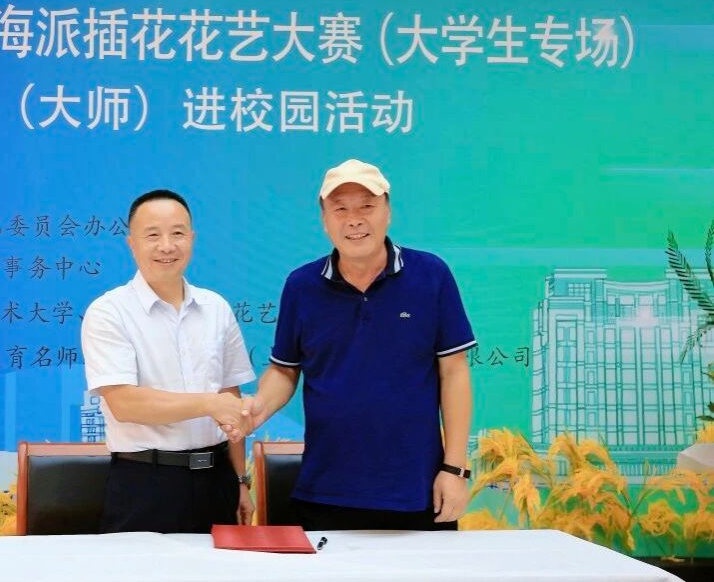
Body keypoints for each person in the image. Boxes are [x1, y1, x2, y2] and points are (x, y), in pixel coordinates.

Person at [233, 159, 476, 531]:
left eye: (366, 206)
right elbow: (285, 370)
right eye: (340, 209)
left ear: (388, 212)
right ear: (324, 220)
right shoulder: (301, 286)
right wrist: (258, 408)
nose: (354, 220)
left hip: (418, 488)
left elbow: (454, 372)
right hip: (326, 489)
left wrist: (454, 469)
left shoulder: (432, 275)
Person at [81, 189, 255, 533]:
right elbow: (125, 404)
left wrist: (240, 481)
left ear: (192, 239)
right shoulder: (109, 312)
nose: (167, 246)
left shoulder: (216, 308)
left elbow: (230, 398)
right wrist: (210, 403)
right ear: (132, 244)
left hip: (218, 480)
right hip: (146, 483)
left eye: (177, 233)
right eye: (153, 235)